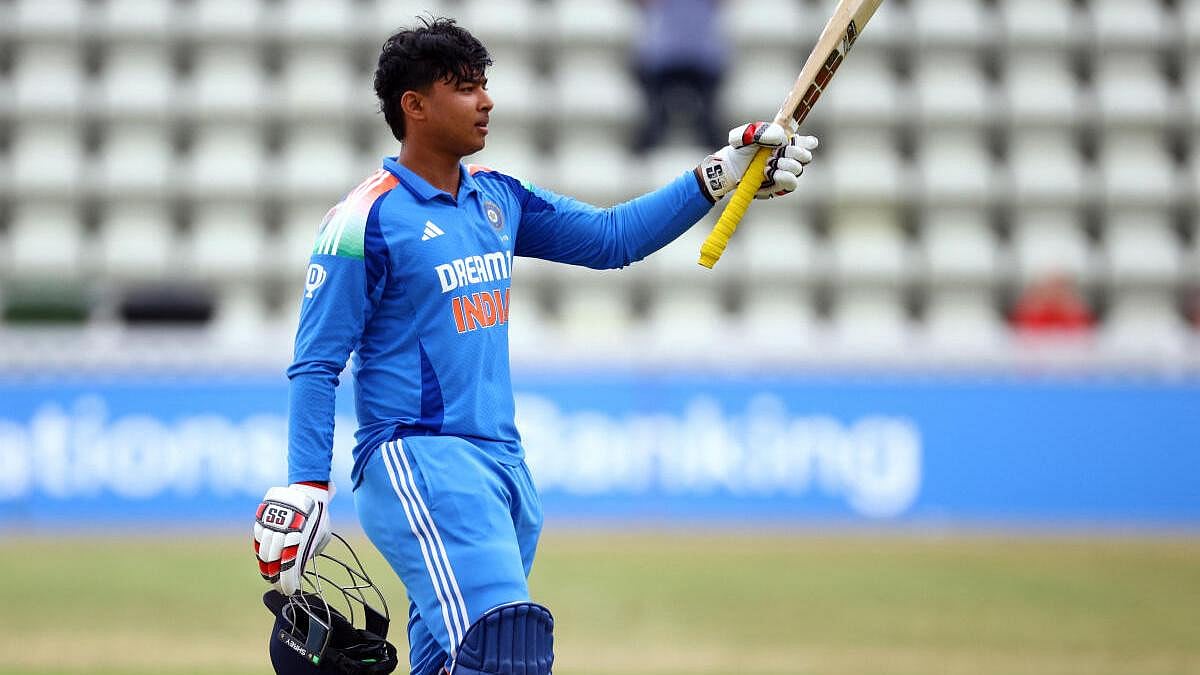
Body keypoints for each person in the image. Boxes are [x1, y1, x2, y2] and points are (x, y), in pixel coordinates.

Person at [253, 17, 817, 675]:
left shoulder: (497, 196)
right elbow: (317, 361)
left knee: (458, 662)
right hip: (422, 464)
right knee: (506, 652)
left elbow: (611, 239)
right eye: (466, 88)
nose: (486, 101)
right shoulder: (362, 221)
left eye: (484, 85)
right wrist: (308, 484)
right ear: (415, 105)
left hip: (503, 473)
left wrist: (718, 175)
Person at [631, 0, 729, 152]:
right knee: (705, 118)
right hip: (692, 52)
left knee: (658, 115)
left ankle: (645, 147)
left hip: (671, 52)